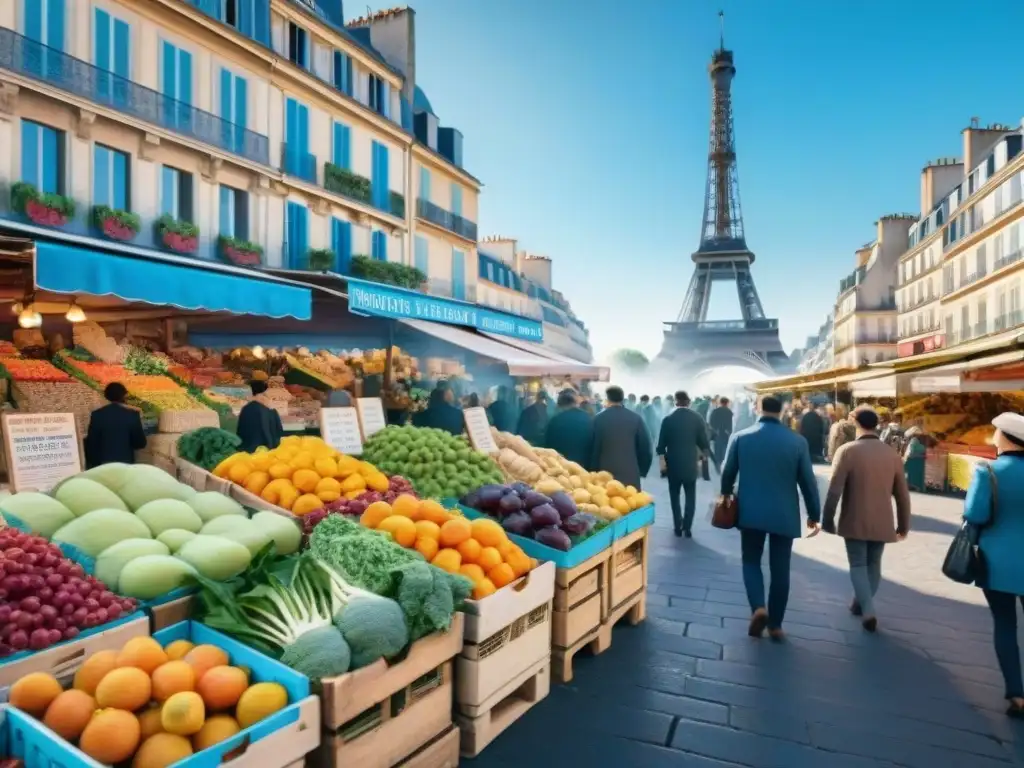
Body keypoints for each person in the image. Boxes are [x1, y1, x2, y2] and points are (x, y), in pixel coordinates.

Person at [721, 395, 821, 640]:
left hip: (750, 511)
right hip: (784, 514)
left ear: (758, 408)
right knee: (781, 569)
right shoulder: (797, 442)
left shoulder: (741, 437)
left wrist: (725, 494)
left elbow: (728, 472)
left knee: (751, 561)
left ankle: (758, 607)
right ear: (782, 411)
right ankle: (775, 625)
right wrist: (814, 514)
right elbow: (808, 481)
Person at [821, 406, 911, 632]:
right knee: (874, 563)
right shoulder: (892, 455)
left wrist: (828, 518)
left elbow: (834, 490)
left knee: (858, 563)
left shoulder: (848, 451)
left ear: (855, 423)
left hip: (854, 517)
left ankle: (868, 609)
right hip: (882, 520)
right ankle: (860, 602)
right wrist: (903, 524)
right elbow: (902, 495)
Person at [961, 413, 1024, 717]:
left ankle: (1016, 692)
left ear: (1008, 438)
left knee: (1005, 624)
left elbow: (974, 514)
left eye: (997, 433)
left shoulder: (988, 471)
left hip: (996, 561)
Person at [657, 391, 711, 537]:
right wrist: (702, 459)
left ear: (676, 402)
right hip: (690, 463)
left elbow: (661, 445)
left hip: (673, 463)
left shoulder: (668, 419)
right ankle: (687, 527)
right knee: (690, 495)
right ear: (689, 402)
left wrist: (662, 462)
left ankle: (677, 526)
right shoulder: (697, 418)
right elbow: (704, 443)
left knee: (674, 496)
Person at [591, 386, 653, 489]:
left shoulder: (598, 419)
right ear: (622, 399)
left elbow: (593, 448)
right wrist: (642, 470)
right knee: (630, 502)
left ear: (607, 399)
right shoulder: (636, 419)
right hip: (630, 474)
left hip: (604, 475)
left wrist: (592, 470)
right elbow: (645, 448)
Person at [84, 382, 147, 469]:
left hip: (102, 465)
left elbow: (92, 442)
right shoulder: (132, 415)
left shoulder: (97, 415)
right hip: (125, 464)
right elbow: (140, 443)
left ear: (106, 396)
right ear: (124, 395)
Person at [544, 389, 594, 466]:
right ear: (576, 403)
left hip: (561, 468)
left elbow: (548, 446)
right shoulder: (588, 418)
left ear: (560, 405)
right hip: (584, 468)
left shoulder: (555, 421)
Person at [236, 380, 284, 453]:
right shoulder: (270, 407)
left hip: (250, 450)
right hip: (270, 449)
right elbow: (278, 430)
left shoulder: (248, 408)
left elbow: (241, 431)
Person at [708, 396, 733, 469]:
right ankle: (724, 464)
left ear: (720, 403)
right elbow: (731, 423)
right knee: (725, 449)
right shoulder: (729, 412)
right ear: (727, 403)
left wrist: (715, 430)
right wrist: (729, 431)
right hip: (726, 433)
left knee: (717, 449)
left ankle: (718, 465)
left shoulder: (715, 411)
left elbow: (711, 422)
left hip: (717, 433)